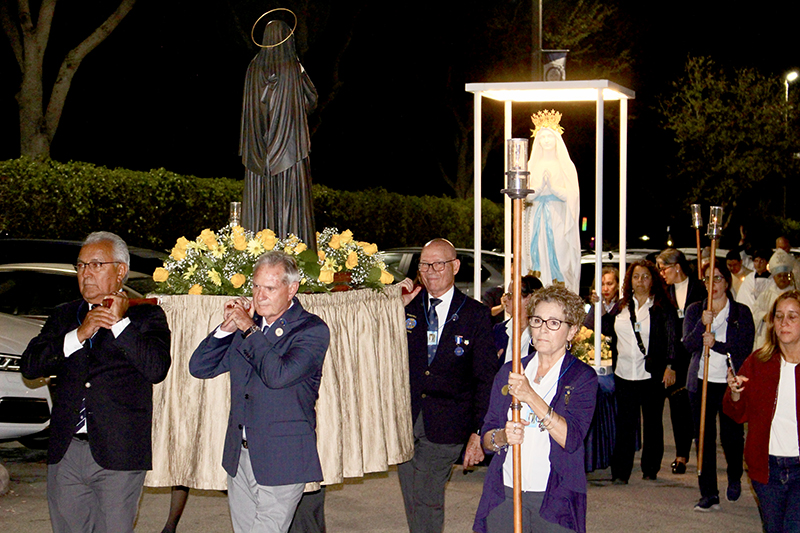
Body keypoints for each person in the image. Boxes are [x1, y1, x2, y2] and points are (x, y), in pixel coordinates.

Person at [21, 231, 172, 533]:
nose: (86, 273)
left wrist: (119, 324)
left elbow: (156, 368)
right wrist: (77, 336)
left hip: (119, 452)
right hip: (66, 450)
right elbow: (30, 365)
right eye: (81, 266)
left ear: (120, 271)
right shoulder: (65, 316)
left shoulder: (147, 316)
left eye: (96, 265)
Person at [189, 251, 330, 533]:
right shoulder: (246, 330)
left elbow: (277, 376)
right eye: (255, 286)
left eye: (269, 288)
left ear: (292, 289)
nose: (259, 295)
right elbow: (200, 367)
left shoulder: (310, 329)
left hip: (284, 457)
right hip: (241, 455)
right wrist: (226, 329)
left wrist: (249, 329)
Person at [473, 285, 598, 533]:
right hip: (505, 492)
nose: (542, 329)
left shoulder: (582, 377)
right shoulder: (510, 371)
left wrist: (531, 396)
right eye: (537, 320)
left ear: (572, 330)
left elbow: (571, 438)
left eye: (553, 323)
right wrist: (503, 437)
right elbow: (487, 440)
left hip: (555, 496)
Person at [399, 238, 497, 533]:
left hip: (447, 424)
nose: (430, 271)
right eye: (425, 265)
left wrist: (479, 432)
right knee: (412, 497)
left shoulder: (475, 314)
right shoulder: (405, 307)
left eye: (438, 264)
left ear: (455, 266)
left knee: (427, 496)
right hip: (405, 421)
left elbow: (485, 378)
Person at [724, 291, 800, 532]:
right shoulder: (759, 361)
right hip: (766, 469)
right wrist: (736, 392)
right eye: (778, 316)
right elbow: (736, 413)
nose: (784, 322)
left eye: (792, 316)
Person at [240, 19, 318, 249]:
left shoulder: (253, 68)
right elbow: (311, 100)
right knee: (291, 204)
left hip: (258, 153)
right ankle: (296, 252)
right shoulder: (293, 67)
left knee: (259, 204)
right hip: (288, 153)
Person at [682, 261, 753, 511]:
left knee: (732, 436)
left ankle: (734, 475)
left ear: (727, 281)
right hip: (701, 381)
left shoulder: (741, 312)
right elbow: (688, 345)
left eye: (718, 278)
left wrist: (717, 345)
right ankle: (708, 493)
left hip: (728, 383)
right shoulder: (694, 310)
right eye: (707, 279)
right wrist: (702, 324)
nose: (713, 285)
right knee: (704, 437)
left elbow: (744, 350)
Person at [603, 260, 678, 483]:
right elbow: (606, 330)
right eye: (636, 277)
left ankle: (650, 468)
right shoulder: (621, 306)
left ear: (653, 279)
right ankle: (621, 472)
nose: (640, 281)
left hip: (651, 373)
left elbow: (673, 337)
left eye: (645, 276)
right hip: (624, 372)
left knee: (653, 422)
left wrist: (670, 366)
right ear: (629, 281)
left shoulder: (662, 307)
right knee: (625, 423)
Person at [656, 248, 706, 475]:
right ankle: (681, 455)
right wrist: (670, 364)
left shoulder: (700, 288)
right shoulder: (664, 292)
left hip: (697, 355)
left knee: (696, 407)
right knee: (677, 408)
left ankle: (702, 451)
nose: (661, 273)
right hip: (674, 356)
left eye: (663, 268)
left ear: (677, 267)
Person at [522, 110, 581, 292]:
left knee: (560, 254)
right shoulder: (531, 166)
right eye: (543, 137)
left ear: (556, 139)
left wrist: (553, 188)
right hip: (536, 217)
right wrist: (539, 189)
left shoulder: (565, 165)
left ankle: (560, 288)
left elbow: (571, 195)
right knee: (537, 252)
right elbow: (525, 197)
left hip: (558, 217)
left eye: (550, 136)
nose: (546, 140)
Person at [493, 275, 543, 364]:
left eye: (510, 295)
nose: (505, 299)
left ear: (528, 299)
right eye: (506, 294)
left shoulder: (542, 332)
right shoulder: (499, 330)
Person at [752, 249, 796, 349]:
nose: (782, 279)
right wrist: (765, 316)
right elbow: (755, 311)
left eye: (785, 276)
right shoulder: (767, 294)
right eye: (779, 276)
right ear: (774, 277)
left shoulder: (795, 295)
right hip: (768, 337)